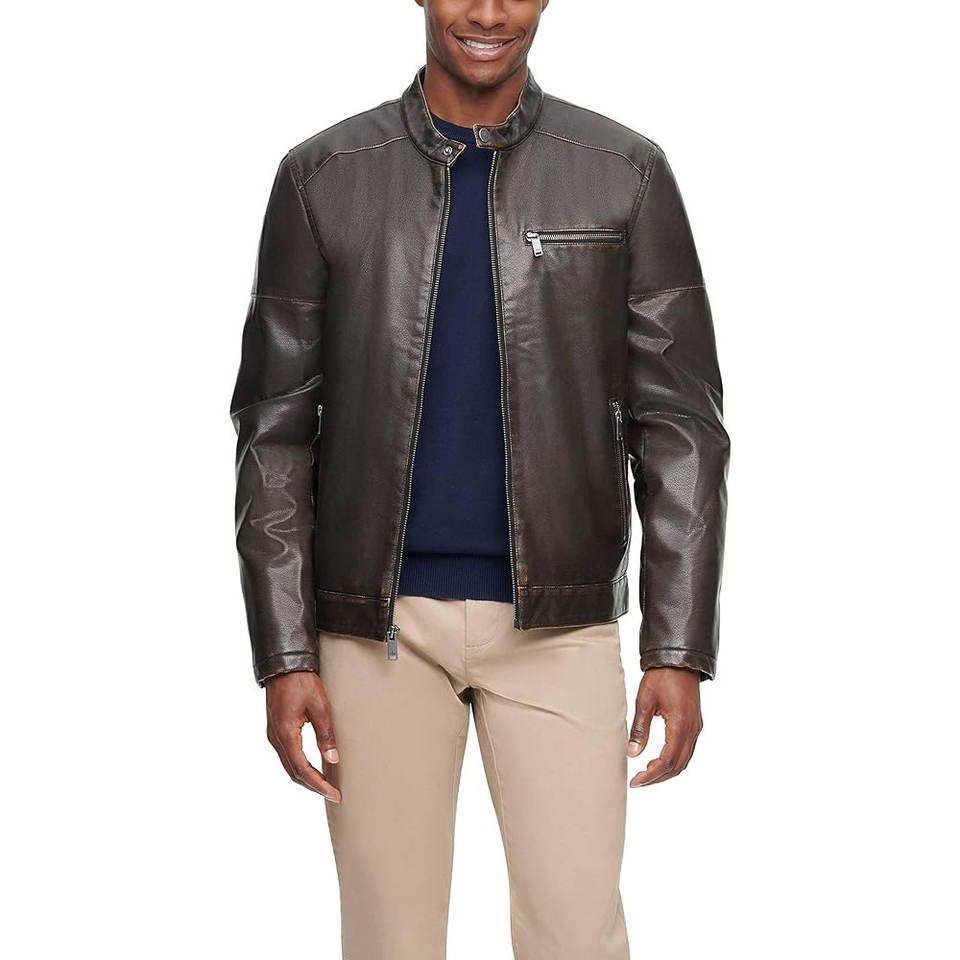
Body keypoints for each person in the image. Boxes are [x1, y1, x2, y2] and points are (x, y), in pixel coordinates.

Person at [229, 1, 729, 957]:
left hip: (561, 623)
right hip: (374, 629)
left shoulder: (622, 171)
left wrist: (677, 646)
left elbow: (682, 427)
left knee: (577, 938)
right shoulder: (324, 176)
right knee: (390, 942)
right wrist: (286, 654)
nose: (490, 12)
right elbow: (274, 430)